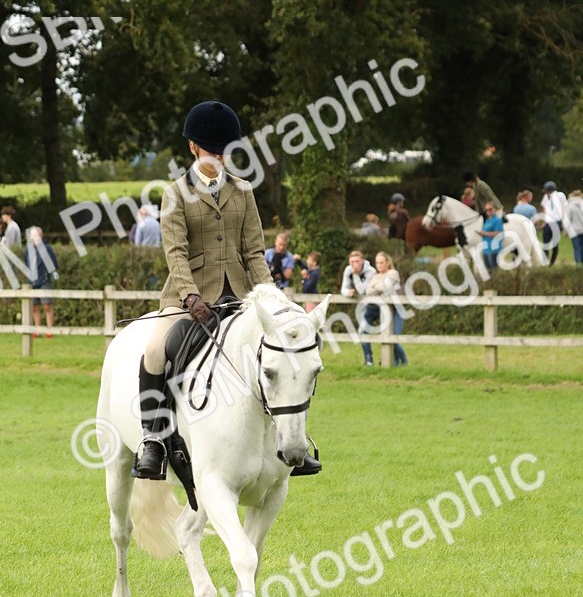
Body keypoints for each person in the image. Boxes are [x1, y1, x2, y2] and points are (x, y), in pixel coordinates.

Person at [133, 99, 321, 479]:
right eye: (211, 151)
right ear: (192, 148)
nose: (218, 158)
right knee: (154, 350)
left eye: (224, 152)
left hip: (239, 296)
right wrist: (189, 296)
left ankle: (295, 439)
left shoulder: (243, 190)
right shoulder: (174, 193)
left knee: (280, 354)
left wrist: (273, 298)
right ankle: (152, 439)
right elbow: (176, 252)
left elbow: (253, 251)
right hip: (188, 298)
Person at [366, 251, 408, 366]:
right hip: (385, 312)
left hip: (397, 310)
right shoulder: (376, 276)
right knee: (386, 337)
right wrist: (379, 285)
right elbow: (368, 291)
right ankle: (393, 364)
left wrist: (376, 285)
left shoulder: (393, 273)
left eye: (381, 262)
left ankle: (404, 362)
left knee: (393, 338)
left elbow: (385, 287)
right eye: (377, 263)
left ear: (387, 263)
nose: (379, 265)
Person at [341, 249, 377, 366]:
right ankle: (369, 360)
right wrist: (348, 293)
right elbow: (343, 289)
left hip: (378, 305)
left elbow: (363, 291)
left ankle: (395, 360)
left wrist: (356, 275)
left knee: (390, 334)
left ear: (362, 261)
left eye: (357, 261)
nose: (354, 264)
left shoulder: (371, 271)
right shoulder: (348, 270)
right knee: (362, 331)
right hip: (365, 306)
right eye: (352, 262)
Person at [24, 227, 59, 338]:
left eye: (36, 235)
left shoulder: (47, 248)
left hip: (44, 280)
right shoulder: (28, 249)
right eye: (32, 235)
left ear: (41, 235)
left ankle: (49, 331)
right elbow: (26, 263)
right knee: (35, 307)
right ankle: (37, 330)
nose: (34, 238)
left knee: (47, 306)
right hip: (32, 281)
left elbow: (54, 264)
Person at [540, 181, 566, 266]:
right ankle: (545, 261)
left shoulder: (560, 195)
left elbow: (564, 207)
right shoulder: (545, 197)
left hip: (556, 221)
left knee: (555, 244)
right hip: (548, 222)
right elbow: (544, 208)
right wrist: (544, 221)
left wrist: (563, 221)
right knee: (545, 243)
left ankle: (552, 262)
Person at [481, 202, 504, 272]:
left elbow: (498, 233)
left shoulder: (497, 220)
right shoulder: (487, 220)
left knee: (494, 270)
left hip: (494, 249)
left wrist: (484, 233)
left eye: (490, 209)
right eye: (486, 210)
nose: (488, 211)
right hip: (486, 249)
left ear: (494, 209)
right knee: (488, 271)